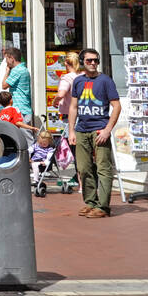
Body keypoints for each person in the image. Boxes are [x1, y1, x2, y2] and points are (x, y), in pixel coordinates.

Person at [68, 47, 121, 219]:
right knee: (83, 168)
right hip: (82, 130)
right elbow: (73, 106)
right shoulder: (78, 81)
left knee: (103, 169)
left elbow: (116, 106)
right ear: (82, 62)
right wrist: (71, 130)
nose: (92, 63)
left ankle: (103, 206)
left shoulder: (106, 81)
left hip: (99, 129)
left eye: (95, 60)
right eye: (89, 60)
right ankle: (90, 202)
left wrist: (107, 129)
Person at [0, 46, 33, 121]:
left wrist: (7, 71)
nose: (6, 62)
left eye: (6, 59)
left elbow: (4, 85)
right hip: (24, 108)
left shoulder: (17, 70)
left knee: (23, 132)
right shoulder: (23, 69)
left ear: (12, 58)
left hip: (20, 109)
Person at [54, 52, 81, 121]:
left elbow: (61, 94)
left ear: (66, 63)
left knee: (69, 131)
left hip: (69, 113)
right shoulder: (82, 76)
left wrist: (55, 101)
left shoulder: (67, 78)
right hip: (82, 112)